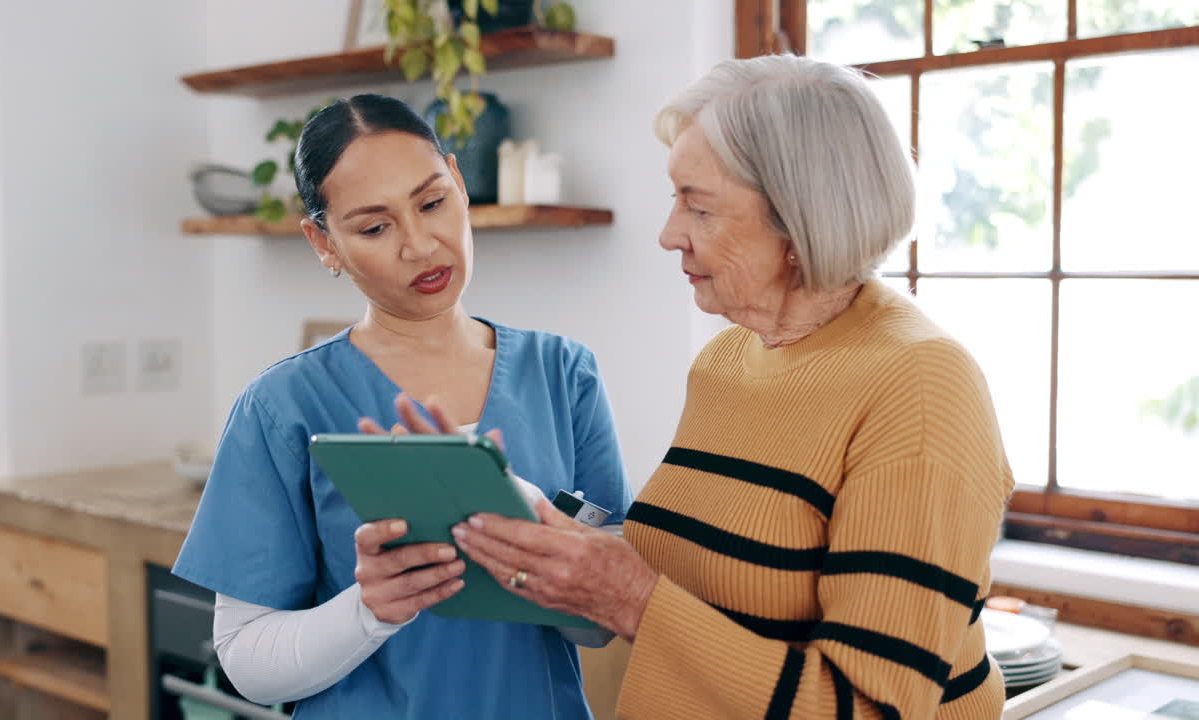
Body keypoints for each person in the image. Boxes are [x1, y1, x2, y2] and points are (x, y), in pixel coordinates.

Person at [396, 55, 1015, 719]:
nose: (669, 235)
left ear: (801, 219)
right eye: (676, 199)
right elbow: (700, 576)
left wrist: (630, 598)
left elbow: (870, 710)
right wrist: (515, 511)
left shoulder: (920, 387)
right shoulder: (729, 357)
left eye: (700, 207)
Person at [172, 93, 632, 719]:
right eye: (374, 227)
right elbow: (247, 660)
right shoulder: (283, 406)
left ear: (460, 185)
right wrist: (370, 608)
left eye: (432, 202)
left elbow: (603, 624)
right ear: (323, 242)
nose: (420, 245)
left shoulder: (563, 374)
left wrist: (544, 542)